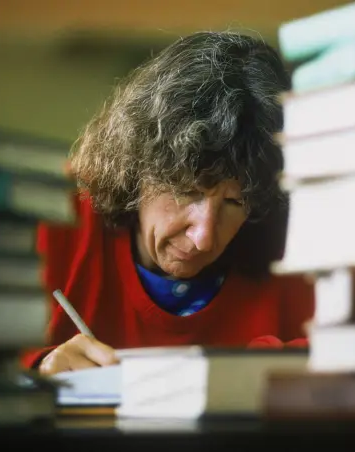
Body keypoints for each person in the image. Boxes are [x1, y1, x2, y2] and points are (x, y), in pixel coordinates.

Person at [21, 31, 315, 376]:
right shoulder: (50, 214)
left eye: (236, 202)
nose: (204, 237)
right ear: (138, 165)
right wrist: (36, 370)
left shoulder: (296, 243)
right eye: (189, 191)